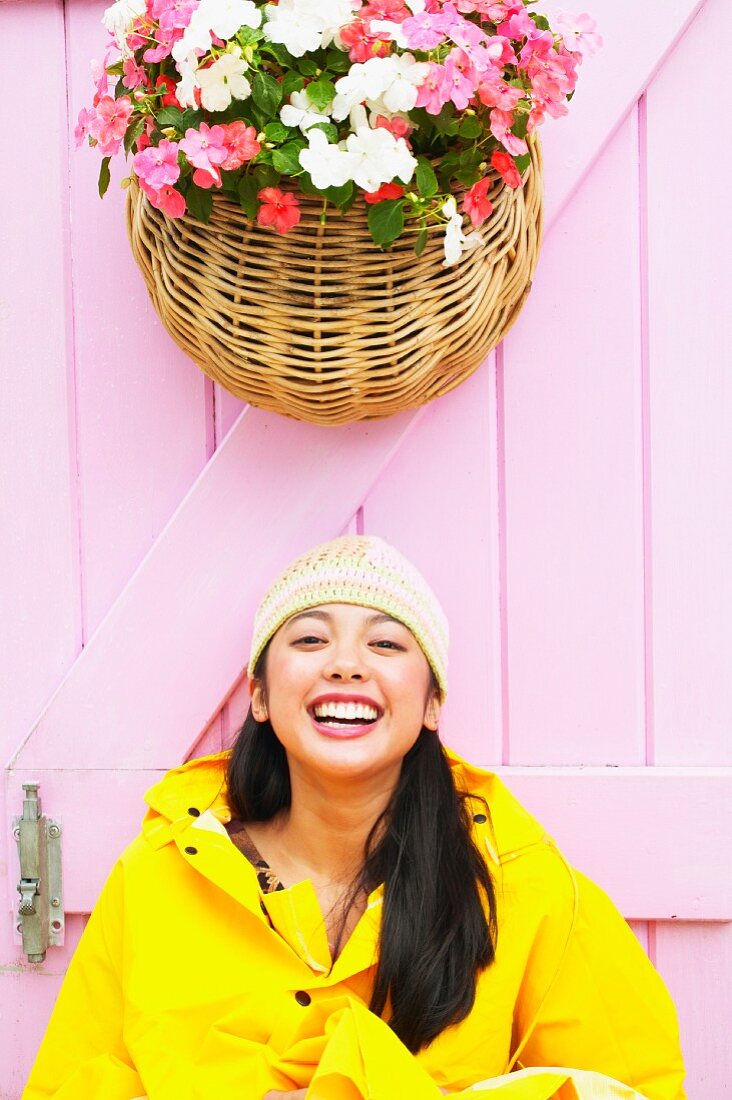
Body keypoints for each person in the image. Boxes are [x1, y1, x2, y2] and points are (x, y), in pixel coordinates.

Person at [24, 536, 686, 1100]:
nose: (345, 664)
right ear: (258, 694)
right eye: (311, 638)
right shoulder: (155, 882)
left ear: (431, 703)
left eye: (388, 645)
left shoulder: (529, 891)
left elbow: (632, 1086)